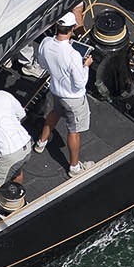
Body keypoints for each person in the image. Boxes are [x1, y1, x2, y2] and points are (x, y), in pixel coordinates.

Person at [35, 11, 94, 176]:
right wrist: (86, 65)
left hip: (56, 91)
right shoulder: (73, 55)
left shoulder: (45, 43)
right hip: (73, 99)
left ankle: (41, 142)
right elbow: (80, 82)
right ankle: (74, 167)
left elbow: (42, 64)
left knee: (55, 112)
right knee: (73, 131)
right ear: (73, 28)